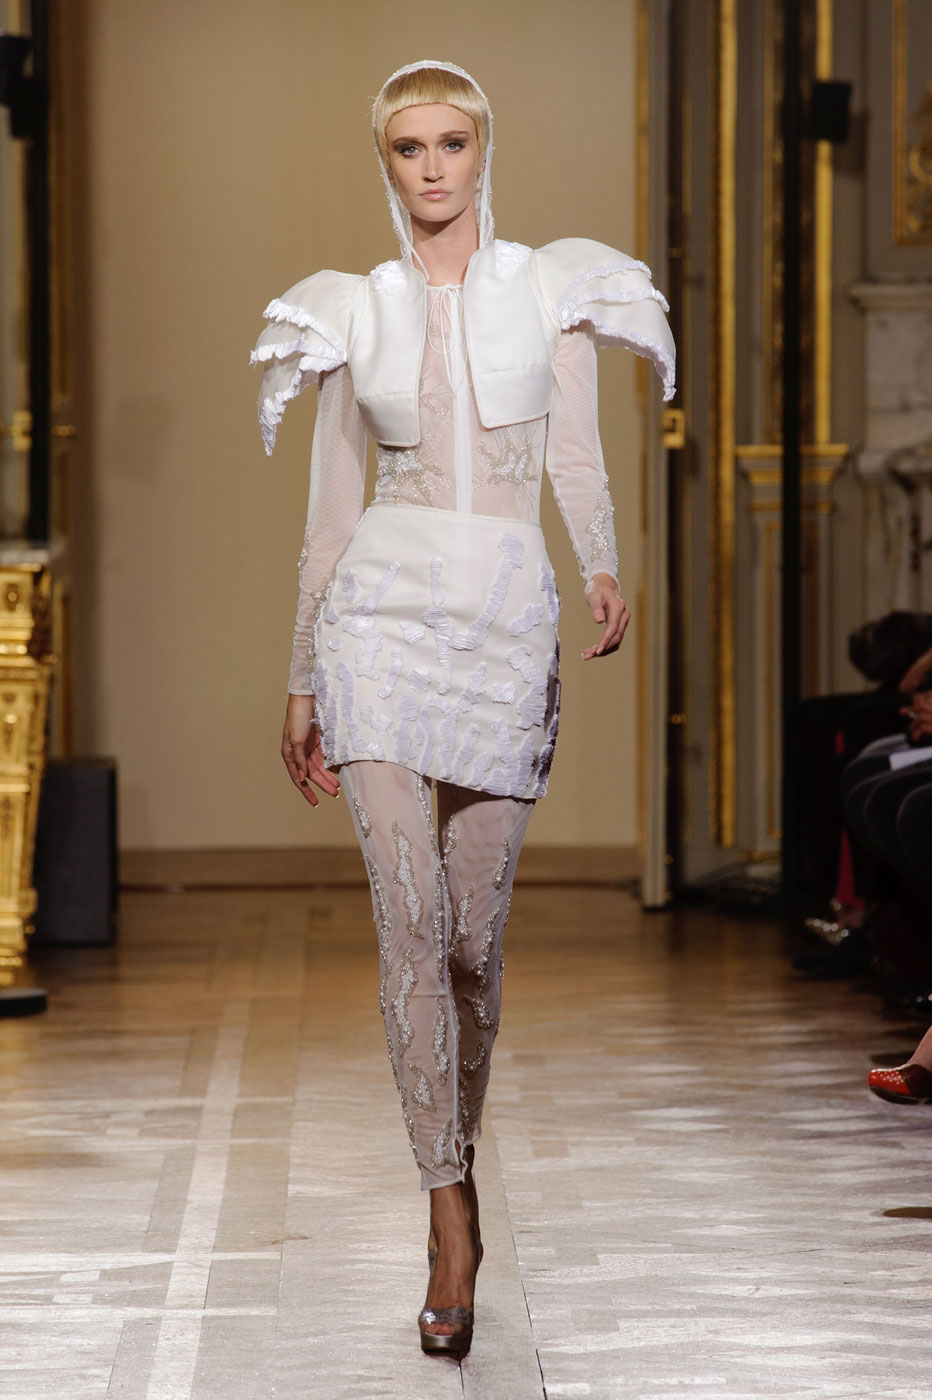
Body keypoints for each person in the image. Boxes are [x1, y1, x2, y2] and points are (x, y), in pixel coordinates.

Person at [251, 59, 674, 1358]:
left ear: (483, 152)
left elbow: (573, 453)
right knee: (410, 920)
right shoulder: (353, 311)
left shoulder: (552, 288)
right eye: (409, 148)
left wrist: (600, 564)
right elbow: (330, 514)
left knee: (474, 946)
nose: (432, 167)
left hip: (500, 616)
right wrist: (304, 674)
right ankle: (445, 1212)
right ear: (384, 161)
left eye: (450, 144)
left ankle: (460, 1163)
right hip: (379, 620)